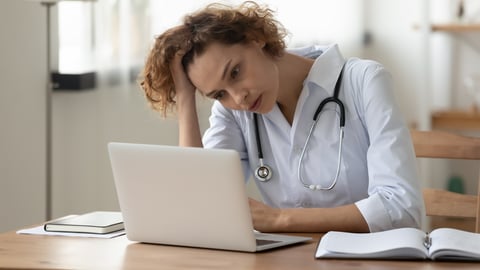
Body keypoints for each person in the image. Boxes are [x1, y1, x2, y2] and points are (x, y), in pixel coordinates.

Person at [139, 1, 423, 233]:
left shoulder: (363, 82)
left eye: (235, 72)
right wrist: (186, 98)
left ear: (257, 39)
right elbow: (200, 205)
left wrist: (279, 220)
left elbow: (401, 208)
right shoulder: (233, 112)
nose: (238, 98)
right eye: (218, 94)